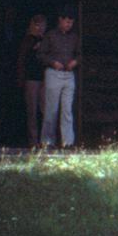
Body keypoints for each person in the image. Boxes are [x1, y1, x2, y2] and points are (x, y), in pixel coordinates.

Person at [39, 8, 79, 149]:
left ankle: (68, 141)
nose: (69, 25)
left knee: (67, 109)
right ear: (60, 20)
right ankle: (48, 141)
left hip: (69, 75)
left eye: (71, 23)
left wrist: (75, 61)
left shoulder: (74, 37)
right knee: (52, 109)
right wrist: (52, 62)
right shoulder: (50, 36)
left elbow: (80, 54)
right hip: (53, 73)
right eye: (67, 22)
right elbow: (41, 54)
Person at [15, 13, 48, 148]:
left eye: (42, 25)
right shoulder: (27, 40)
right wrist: (20, 78)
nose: (40, 28)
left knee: (45, 110)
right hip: (31, 79)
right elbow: (22, 60)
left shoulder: (46, 40)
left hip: (45, 79)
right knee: (32, 111)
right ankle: (33, 141)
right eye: (37, 25)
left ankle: (45, 140)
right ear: (32, 26)